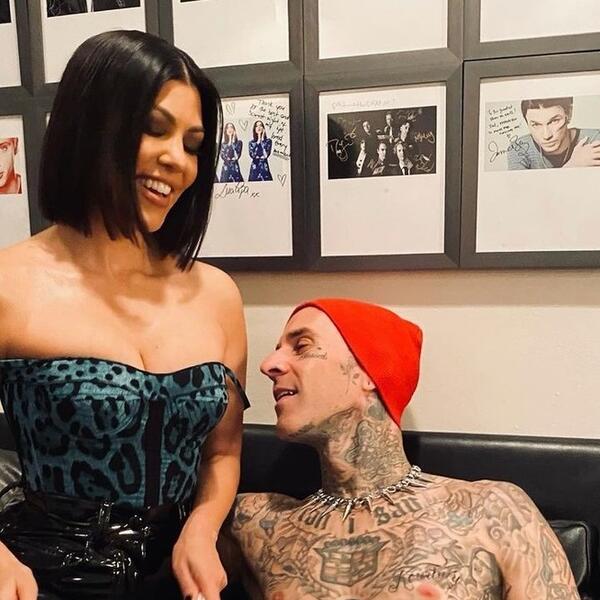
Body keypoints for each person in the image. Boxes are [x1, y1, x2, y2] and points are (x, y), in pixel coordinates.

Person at [0, 30, 248, 600]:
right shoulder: (10, 282)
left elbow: (224, 451)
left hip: (183, 581)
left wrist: (202, 529)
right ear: (91, 128)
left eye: (192, 144)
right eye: (154, 128)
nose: (177, 160)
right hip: (41, 582)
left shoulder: (217, 295)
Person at [221, 298, 579, 599]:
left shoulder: (492, 512)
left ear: (367, 373)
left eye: (301, 347)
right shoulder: (256, 522)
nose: (268, 365)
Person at [508, 97, 600, 170]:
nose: (546, 135)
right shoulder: (518, 149)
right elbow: (519, 188)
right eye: (536, 124)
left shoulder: (595, 138)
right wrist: (572, 165)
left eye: (554, 121)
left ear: (569, 114)